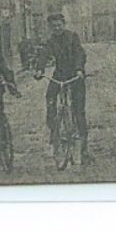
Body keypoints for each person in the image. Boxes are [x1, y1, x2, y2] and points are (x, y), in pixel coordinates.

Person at [38, 12, 91, 164]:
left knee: (79, 110)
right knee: (50, 96)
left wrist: (80, 69)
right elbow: (44, 55)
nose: (57, 28)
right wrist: (39, 69)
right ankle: (53, 125)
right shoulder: (51, 41)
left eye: (59, 25)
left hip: (75, 74)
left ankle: (84, 146)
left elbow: (80, 53)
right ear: (50, 28)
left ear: (64, 25)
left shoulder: (72, 37)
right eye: (54, 26)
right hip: (60, 73)